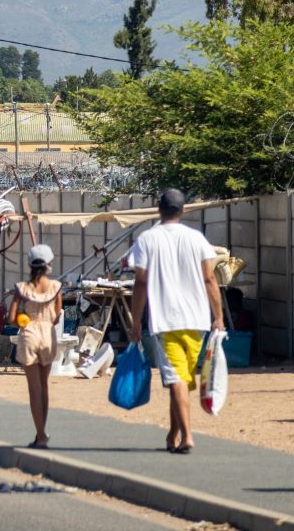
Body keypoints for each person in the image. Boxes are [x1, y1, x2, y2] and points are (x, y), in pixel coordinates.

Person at [127, 188, 225, 455]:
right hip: (196, 321)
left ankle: (188, 436)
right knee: (181, 379)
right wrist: (218, 317)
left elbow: (141, 282)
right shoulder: (196, 239)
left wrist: (136, 322)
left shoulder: (147, 239)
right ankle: (174, 434)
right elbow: (209, 278)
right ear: (183, 211)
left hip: (165, 321)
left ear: (159, 210)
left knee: (177, 380)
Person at [8, 243, 62, 448]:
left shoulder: (22, 288)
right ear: (50, 263)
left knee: (34, 388)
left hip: (29, 332)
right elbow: (57, 316)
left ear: (30, 264)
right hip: (48, 334)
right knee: (45, 386)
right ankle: (43, 431)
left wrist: (24, 320)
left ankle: (40, 435)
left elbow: (11, 317)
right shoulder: (56, 287)